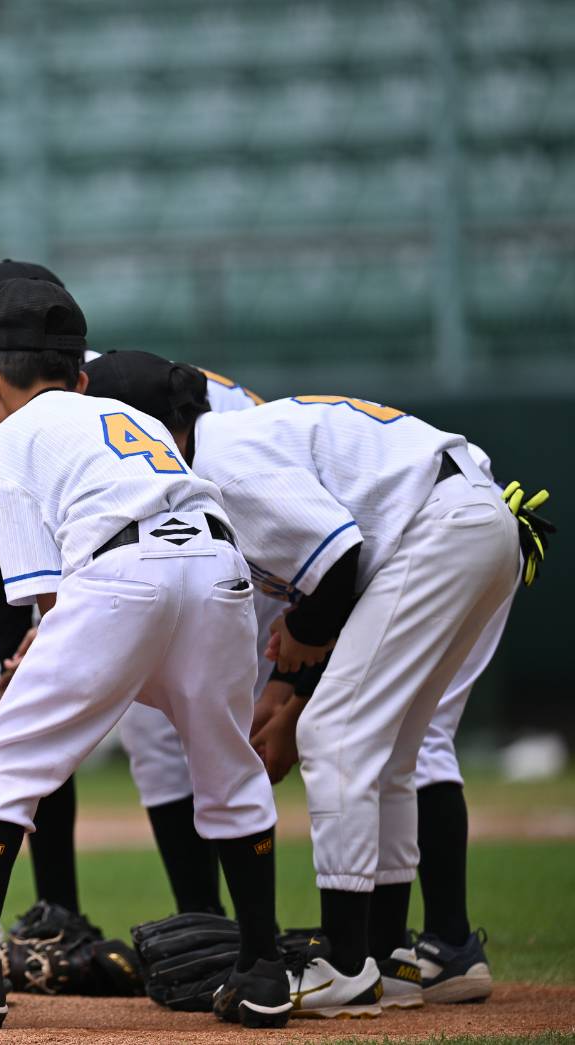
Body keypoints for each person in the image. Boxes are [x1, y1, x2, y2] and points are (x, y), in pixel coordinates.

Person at [0, 279, 287, 1029]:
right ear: (79, 374)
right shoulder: (129, 414)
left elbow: (47, 593)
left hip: (120, 574)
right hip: (218, 565)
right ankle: (261, 968)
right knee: (226, 765)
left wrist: (42, 665)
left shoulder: (2, 444)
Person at [83, 350, 520, 1018]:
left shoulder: (219, 460)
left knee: (336, 732)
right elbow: (330, 579)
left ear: (146, 430)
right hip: (465, 522)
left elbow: (338, 558)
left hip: (441, 527)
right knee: (392, 748)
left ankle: (344, 965)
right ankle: (382, 958)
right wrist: (287, 680)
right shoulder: (225, 449)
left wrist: (298, 659)